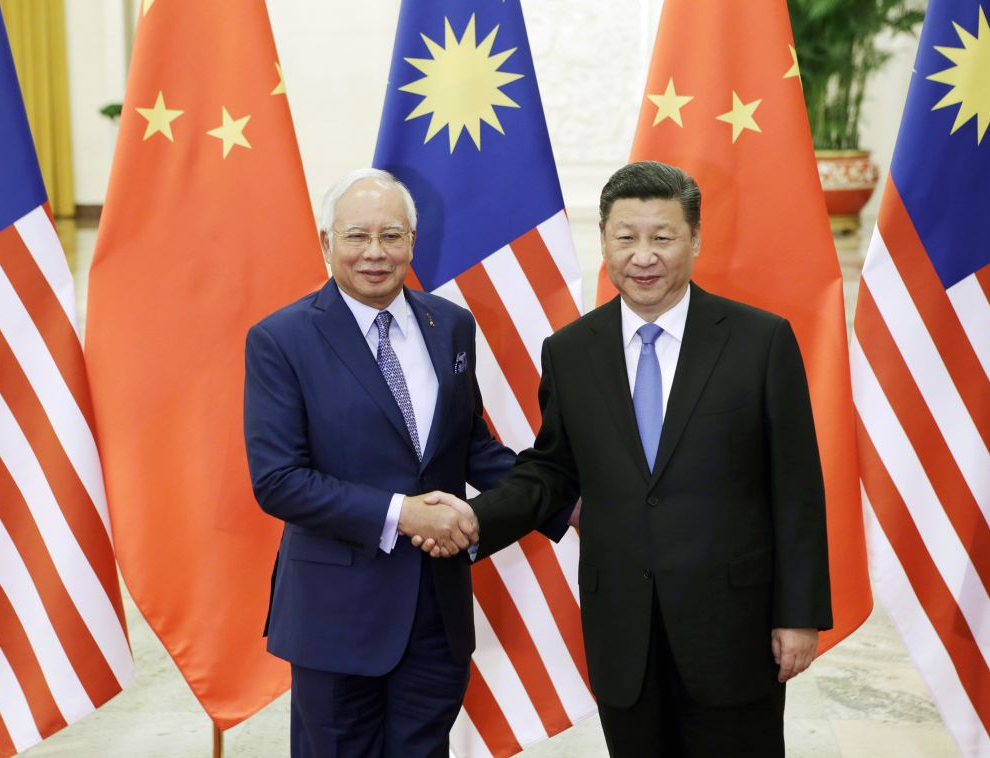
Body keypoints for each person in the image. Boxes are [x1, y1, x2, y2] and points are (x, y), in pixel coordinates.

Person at [421, 161, 832, 756]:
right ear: (605, 242)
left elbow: (796, 487)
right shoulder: (570, 351)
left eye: (662, 237)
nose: (644, 256)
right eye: (626, 237)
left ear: (694, 240)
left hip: (732, 628)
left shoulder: (759, 341)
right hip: (623, 631)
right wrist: (475, 518)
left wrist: (798, 615)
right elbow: (554, 469)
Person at [242, 168, 567, 757]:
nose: (375, 253)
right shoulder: (281, 339)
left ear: (412, 242)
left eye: (391, 236)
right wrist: (404, 515)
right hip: (336, 620)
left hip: (435, 617)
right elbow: (279, 481)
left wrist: (565, 502)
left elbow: (470, 447)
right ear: (326, 243)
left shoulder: (451, 326)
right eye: (356, 236)